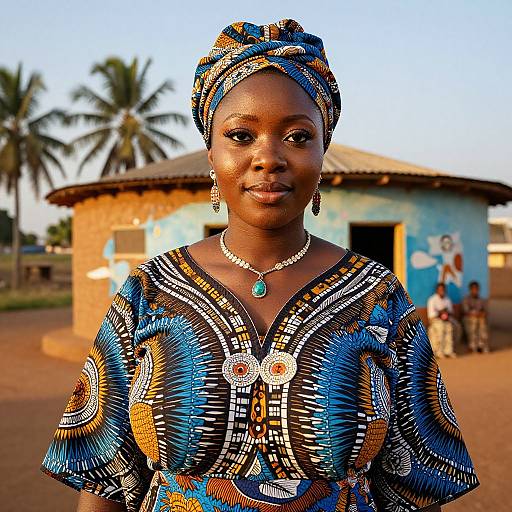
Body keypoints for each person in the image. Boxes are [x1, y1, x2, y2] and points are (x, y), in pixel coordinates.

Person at [40, 19, 479, 512]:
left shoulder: (377, 296)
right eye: (241, 135)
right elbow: (103, 483)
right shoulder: (150, 291)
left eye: (297, 136)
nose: (268, 157)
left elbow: (419, 487)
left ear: (322, 154)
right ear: (211, 153)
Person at [427, 282, 458, 358]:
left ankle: (448, 351)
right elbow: (431, 315)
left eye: (443, 290)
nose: (442, 291)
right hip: (435, 320)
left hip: (446, 320)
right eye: (440, 290)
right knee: (441, 328)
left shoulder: (447, 299)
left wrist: (446, 314)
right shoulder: (432, 300)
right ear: (437, 290)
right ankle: (439, 352)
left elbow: (451, 312)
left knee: (450, 327)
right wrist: (440, 313)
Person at [462, 280, 490, 353]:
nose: (475, 291)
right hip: (469, 319)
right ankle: (472, 346)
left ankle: (481, 346)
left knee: (482, 322)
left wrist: (480, 314)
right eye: (473, 289)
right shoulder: (466, 299)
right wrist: (476, 314)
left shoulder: (482, 300)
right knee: (474, 322)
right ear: (470, 290)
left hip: (480, 319)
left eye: (476, 289)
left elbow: (486, 312)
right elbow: (466, 312)